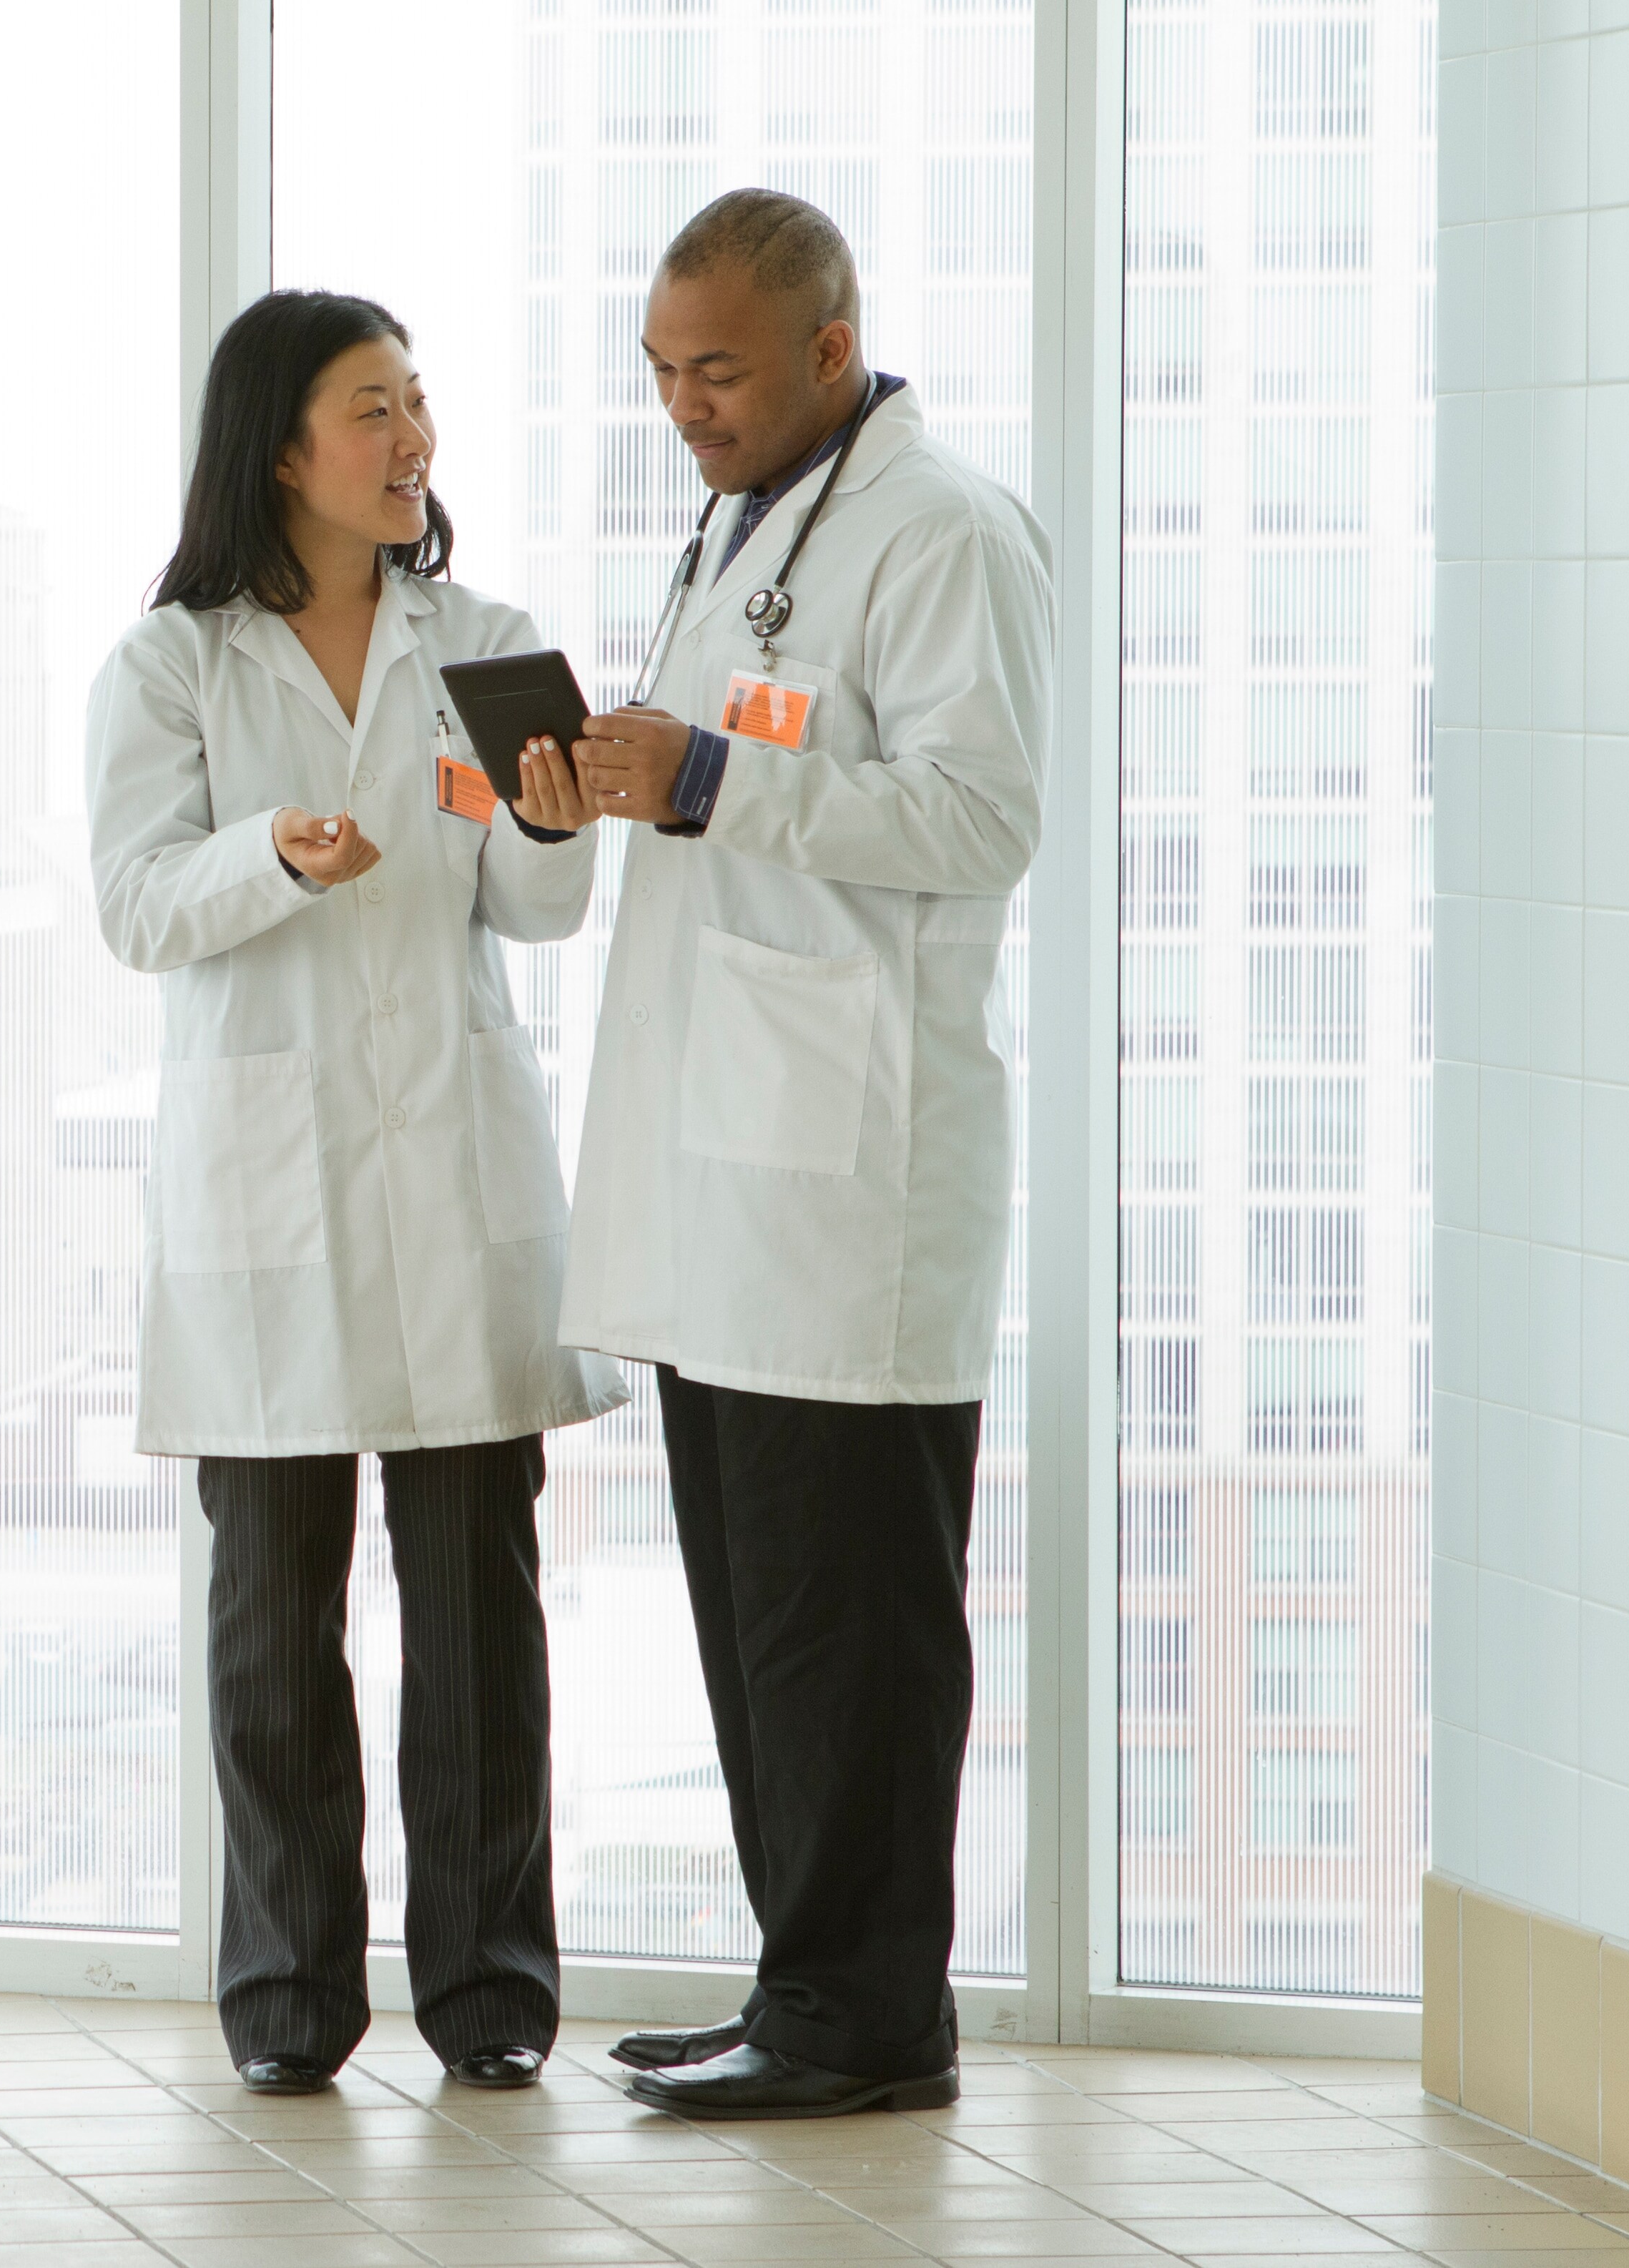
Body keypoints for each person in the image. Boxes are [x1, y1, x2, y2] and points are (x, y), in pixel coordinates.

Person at [85, 289, 623, 2098]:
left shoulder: (485, 642)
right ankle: (289, 2001)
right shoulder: (171, 666)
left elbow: (537, 912)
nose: (414, 441)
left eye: (419, 405)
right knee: (271, 1631)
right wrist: (276, 852)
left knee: (479, 1618)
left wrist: (549, 817)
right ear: (281, 442)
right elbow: (141, 903)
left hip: (449, 1170)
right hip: (268, 1188)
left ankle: (490, 1995)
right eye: (374, 406)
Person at [559, 189, 1050, 2121]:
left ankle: (867, 2015)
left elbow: (981, 811)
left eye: (723, 369)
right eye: (665, 371)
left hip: (852, 1181)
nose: (687, 403)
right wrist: (626, 774)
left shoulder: (941, 531)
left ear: (832, 349)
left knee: (847, 1618)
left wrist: (706, 774)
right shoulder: (750, 521)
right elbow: (756, 777)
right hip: (731, 1179)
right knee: (767, 1617)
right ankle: (803, 1983)